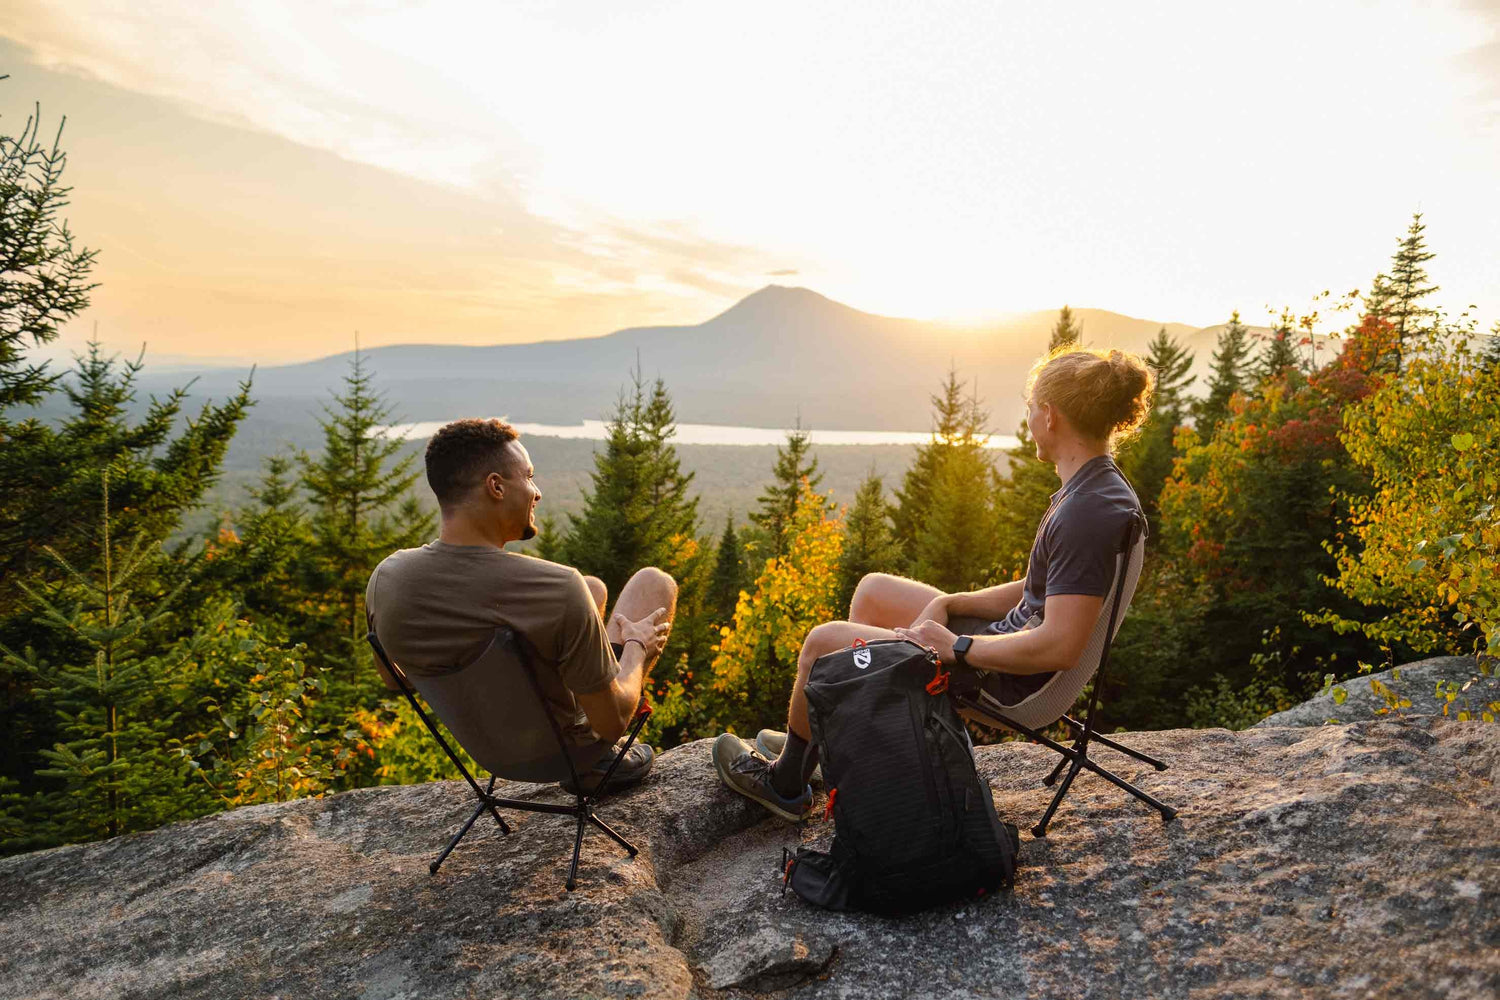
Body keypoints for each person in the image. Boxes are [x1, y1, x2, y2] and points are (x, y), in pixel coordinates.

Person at [713, 347, 1155, 820]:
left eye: (1030, 408)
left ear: (1049, 416)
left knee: (823, 644)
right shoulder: (1096, 488)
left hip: (1007, 680)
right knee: (874, 591)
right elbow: (1039, 587)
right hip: (1003, 647)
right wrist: (952, 602)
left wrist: (956, 647)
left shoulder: (1086, 514)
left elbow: (1059, 647)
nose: (1027, 419)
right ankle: (836, 742)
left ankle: (787, 783)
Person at [366, 418, 677, 794]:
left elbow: (395, 679)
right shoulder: (558, 587)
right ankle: (599, 765)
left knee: (592, 589)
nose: (536, 492)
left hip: (490, 753)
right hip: (566, 753)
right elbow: (611, 724)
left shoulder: (386, 578)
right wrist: (637, 647)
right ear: (496, 486)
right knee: (654, 583)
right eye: (528, 477)